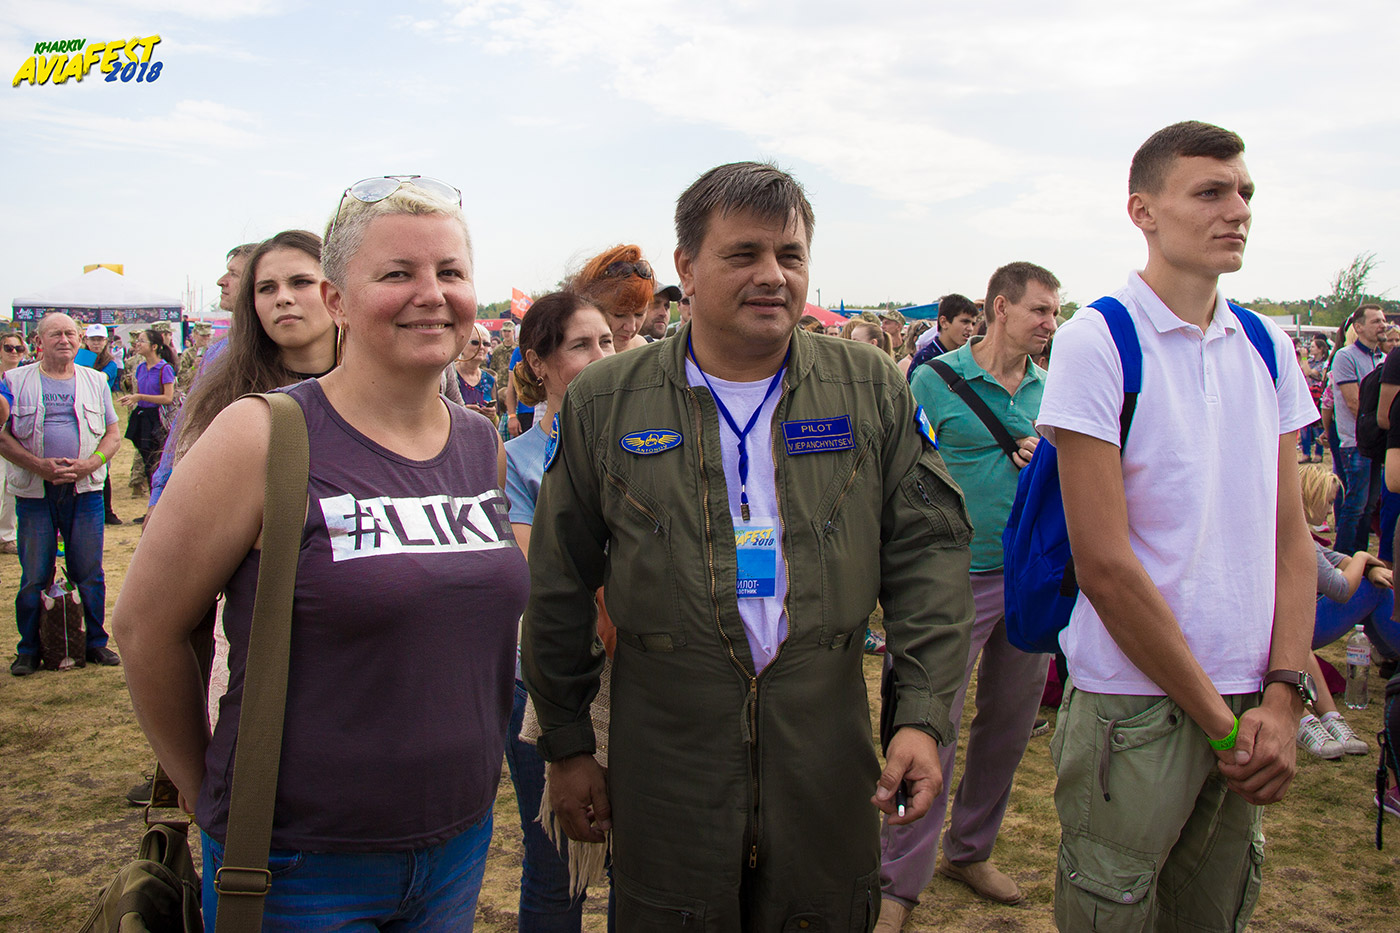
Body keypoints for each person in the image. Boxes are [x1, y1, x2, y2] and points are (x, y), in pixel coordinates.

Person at [522, 161, 973, 930]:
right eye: (745, 254)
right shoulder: (607, 400)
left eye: (790, 255)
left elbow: (927, 554)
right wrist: (566, 745)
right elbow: (560, 580)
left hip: (824, 750)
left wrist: (921, 715)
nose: (773, 274)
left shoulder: (869, 387)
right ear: (688, 268)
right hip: (668, 756)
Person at [115, 175, 526, 930]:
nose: (431, 294)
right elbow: (146, 628)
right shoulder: (262, 434)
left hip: (458, 841)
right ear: (337, 299)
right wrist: (206, 790)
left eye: (451, 271)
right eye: (397, 273)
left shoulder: (480, 442)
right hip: (297, 862)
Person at [1037, 121, 1316, 931]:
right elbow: (1105, 564)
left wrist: (1283, 695)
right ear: (1144, 211)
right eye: (1211, 191)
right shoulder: (1099, 340)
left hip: (1249, 691)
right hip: (1135, 701)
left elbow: (1291, 539)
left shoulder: (1266, 343)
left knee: (1213, 911)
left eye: (1245, 192)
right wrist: (1225, 724)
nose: (1238, 210)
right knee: (1111, 909)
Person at [878, 261, 1059, 930]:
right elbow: (901, 471)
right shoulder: (933, 379)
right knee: (924, 725)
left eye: (1055, 312)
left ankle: (970, 849)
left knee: (1008, 726)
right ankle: (895, 880)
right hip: (949, 578)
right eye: (1040, 310)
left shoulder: (1052, 388)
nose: (1050, 323)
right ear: (1001, 307)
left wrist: (1047, 460)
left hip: (1028, 579)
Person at [504, 290, 615, 931]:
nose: (602, 356)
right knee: (555, 868)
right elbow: (544, 576)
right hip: (548, 684)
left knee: (646, 861)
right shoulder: (515, 459)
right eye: (581, 345)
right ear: (537, 362)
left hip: (639, 681)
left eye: (607, 341)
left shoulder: (645, 443)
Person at [1, 313, 121, 676]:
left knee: (89, 572)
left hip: (85, 491)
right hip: (34, 493)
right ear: (39, 341)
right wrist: (38, 465)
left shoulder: (96, 380)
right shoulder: (14, 380)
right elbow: (2, 437)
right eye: (55, 334)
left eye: (70, 333)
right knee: (34, 575)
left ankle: (95, 643)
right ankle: (29, 650)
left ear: (80, 339)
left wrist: (90, 464)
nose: (64, 340)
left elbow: (113, 435)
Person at [1295, 464, 1389, 758]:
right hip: (1288, 628)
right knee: (1373, 590)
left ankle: (1329, 716)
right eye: (1328, 501)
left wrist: (1367, 568)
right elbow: (1340, 588)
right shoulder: (1297, 535)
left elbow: (1336, 559)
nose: (1330, 510)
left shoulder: (1299, 532)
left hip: (1292, 626)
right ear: (1312, 497)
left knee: (1374, 584)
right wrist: (1363, 558)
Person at [1329, 303, 1386, 554]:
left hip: (1374, 443)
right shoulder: (1346, 356)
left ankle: (1360, 556)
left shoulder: (1382, 358)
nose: (1383, 325)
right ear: (1359, 327)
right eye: (1376, 321)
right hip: (1356, 443)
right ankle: (1343, 556)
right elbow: (1354, 403)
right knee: (1356, 504)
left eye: (1383, 320)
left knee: (1369, 504)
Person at [117, 329, 176, 516]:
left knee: (157, 464)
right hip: (142, 417)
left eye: (142, 341)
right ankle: (153, 508)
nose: (138, 344)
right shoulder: (141, 368)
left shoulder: (165, 369)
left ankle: (161, 509)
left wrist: (140, 397)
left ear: (154, 346)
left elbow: (167, 398)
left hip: (156, 419)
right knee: (147, 463)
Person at [73, 324, 123, 525]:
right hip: (77, 411)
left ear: (105, 342)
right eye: (93, 339)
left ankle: (106, 511)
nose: (96, 343)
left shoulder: (110, 364)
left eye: (100, 339)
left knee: (102, 464)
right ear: (86, 340)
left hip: (99, 414)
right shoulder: (78, 357)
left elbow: (97, 381)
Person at [0, 331, 30, 553]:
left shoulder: (28, 376)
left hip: (19, 437)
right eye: (8, 347)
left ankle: (7, 536)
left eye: (18, 348)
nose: (13, 352)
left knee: (10, 488)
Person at [906, 294, 979, 382]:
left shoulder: (966, 358)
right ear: (943, 322)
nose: (970, 328)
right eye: (965, 322)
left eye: (973, 324)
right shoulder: (925, 358)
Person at [454, 322, 498, 423]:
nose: (481, 347)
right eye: (475, 342)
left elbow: (496, 422)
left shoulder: (489, 379)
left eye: (486, 344)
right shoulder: (450, 375)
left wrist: (493, 416)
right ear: (462, 345)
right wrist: (462, 412)